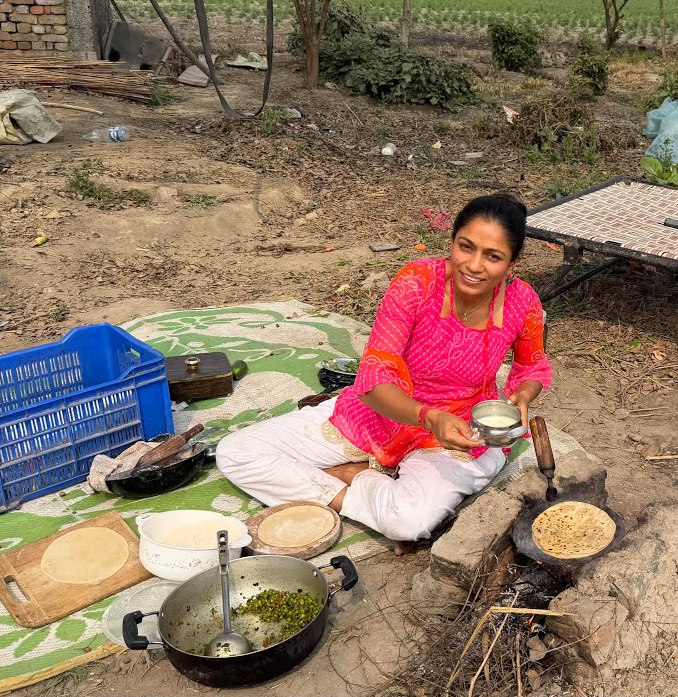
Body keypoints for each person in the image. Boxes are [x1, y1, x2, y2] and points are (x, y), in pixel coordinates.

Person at [218, 194, 553, 551]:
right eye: (465, 247)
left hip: (461, 430)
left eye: (493, 256)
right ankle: (351, 486)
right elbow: (373, 378)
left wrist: (524, 394)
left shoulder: (523, 302)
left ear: (512, 263)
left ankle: (358, 480)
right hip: (384, 411)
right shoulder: (417, 283)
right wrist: (427, 416)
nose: (473, 265)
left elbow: (532, 366)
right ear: (452, 242)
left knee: (408, 521)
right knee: (236, 452)